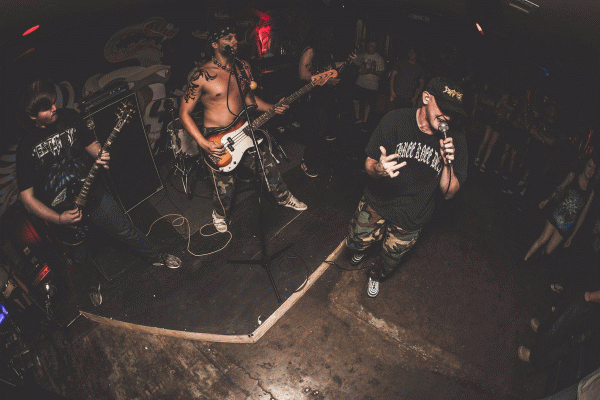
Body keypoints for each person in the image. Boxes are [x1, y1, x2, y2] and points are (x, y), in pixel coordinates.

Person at [16, 80, 181, 307]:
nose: (54, 108)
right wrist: (59, 218)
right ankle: (93, 284)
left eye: (53, 102)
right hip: (64, 212)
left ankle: (156, 256)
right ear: (32, 116)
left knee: (125, 229)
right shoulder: (26, 148)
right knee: (81, 256)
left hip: (92, 192)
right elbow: (27, 199)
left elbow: (90, 143)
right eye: (46, 108)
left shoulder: (69, 117)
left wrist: (100, 153)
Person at [345, 76, 468, 298]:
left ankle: (375, 275)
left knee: (389, 260)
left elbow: (449, 192)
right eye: (443, 108)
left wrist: (447, 163)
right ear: (426, 97)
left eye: (453, 113)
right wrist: (379, 169)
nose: (447, 117)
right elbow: (369, 163)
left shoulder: (455, 139)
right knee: (355, 242)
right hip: (379, 202)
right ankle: (361, 249)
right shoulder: (395, 120)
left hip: (412, 215)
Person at [179, 26, 307, 233]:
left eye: (236, 37)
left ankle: (284, 197)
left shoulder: (243, 66)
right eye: (228, 37)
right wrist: (203, 144)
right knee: (225, 186)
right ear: (214, 44)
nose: (235, 41)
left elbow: (249, 100)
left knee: (268, 166)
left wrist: (272, 108)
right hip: (217, 137)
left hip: (245, 129)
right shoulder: (202, 76)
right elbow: (184, 113)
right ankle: (220, 214)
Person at [297, 28, 355, 178]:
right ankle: (306, 161)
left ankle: (316, 157)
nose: (331, 37)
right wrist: (326, 80)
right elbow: (303, 74)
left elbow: (330, 66)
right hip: (312, 95)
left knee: (322, 129)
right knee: (316, 129)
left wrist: (347, 61)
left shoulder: (325, 51)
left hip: (324, 95)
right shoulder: (310, 50)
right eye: (329, 34)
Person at [523, 155, 597, 262]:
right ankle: (524, 259)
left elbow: (582, 216)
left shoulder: (590, 193)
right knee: (543, 239)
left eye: (594, 169)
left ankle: (538, 256)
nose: (591, 170)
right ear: (585, 165)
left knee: (548, 251)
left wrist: (572, 236)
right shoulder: (573, 176)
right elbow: (560, 188)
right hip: (557, 214)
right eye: (589, 166)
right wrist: (547, 200)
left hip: (566, 225)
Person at [352, 40, 385, 126]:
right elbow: (356, 64)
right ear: (367, 46)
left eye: (374, 46)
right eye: (371, 46)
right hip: (360, 82)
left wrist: (369, 71)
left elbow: (381, 73)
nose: (372, 48)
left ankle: (364, 122)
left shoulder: (379, 58)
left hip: (371, 85)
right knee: (356, 100)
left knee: (368, 104)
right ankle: (357, 119)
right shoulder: (363, 55)